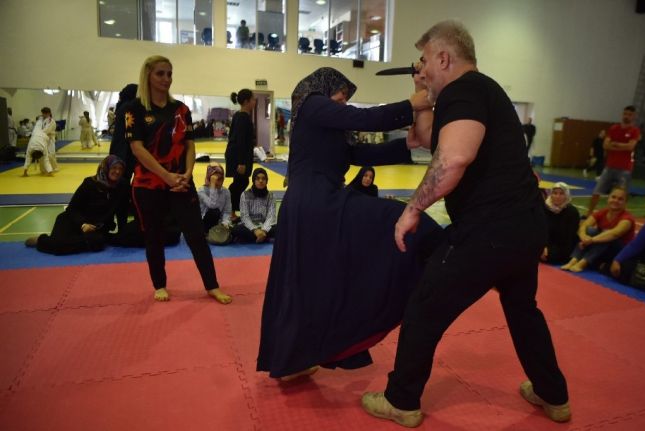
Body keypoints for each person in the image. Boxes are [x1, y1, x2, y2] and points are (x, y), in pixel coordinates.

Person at [361, 21, 570, 427]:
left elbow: (454, 158)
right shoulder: (474, 94)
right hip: (525, 226)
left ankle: (401, 400)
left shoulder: (465, 90)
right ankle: (553, 394)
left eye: (425, 60)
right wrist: (422, 94)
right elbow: (425, 142)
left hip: (489, 230)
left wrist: (413, 208)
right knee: (522, 309)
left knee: (424, 307)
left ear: (444, 58)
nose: (421, 67)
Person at [256, 67, 442, 382]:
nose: (343, 104)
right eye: (341, 97)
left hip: (317, 204)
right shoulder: (311, 104)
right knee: (395, 220)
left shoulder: (329, 130)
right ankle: (447, 255)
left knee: (313, 284)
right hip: (314, 205)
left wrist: (406, 145)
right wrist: (411, 104)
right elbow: (361, 118)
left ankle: (293, 361)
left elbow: (358, 153)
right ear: (325, 88)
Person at [125, 55, 231, 305]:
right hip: (149, 186)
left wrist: (187, 173)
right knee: (154, 237)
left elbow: (190, 145)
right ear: (148, 75)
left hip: (181, 183)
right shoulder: (135, 109)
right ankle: (159, 284)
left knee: (196, 235)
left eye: (169, 73)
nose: (166, 79)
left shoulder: (181, 110)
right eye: (160, 73)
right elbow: (137, 148)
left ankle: (212, 285)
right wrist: (166, 176)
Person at [24, 155, 128, 254]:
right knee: (59, 246)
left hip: (95, 228)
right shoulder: (89, 183)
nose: (117, 171)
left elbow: (122, 212)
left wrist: (122, 233)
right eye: (114, 168)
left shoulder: (122, 186)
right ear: (106, 168)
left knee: (97, 242)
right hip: (73, 221)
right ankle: (41, 240)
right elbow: (72, 209)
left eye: (120, 169)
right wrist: (83, 224)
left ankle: (60, 242)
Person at [561, 186, 634, 273]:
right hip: (601, 249)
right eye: (613, 197)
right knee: (589, 231)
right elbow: (584, 225)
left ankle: (583, 262)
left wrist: (591, 240)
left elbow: (614, 234)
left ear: (625, 202)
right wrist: (584, 237)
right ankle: (574, 260)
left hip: (618, 252)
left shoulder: (627, 219)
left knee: (606, 235)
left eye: (620, 199)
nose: (615, 201)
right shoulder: (603, 212)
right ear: (608, 198)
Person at [586, 106, 640, 215]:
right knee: (597, 191)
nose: (626, 116)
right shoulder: (614, 128)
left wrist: (615, 144)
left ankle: (620, 216)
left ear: (634, 116)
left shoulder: (635, 131)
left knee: (622, 194)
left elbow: (630, 147)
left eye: (629, 114)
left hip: (625, 168)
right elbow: (605, 145)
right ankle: (589, 213)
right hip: (609, 166)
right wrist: (622, 146)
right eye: (625, 114)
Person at [225, 89, 256, 215]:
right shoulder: (243, 118)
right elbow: (240, 141)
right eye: (253, 99)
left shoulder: (239, 115)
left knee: (240, 182)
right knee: (241, 182)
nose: (254, 101)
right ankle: (229, 210)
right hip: (239, 157)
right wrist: (241, 162)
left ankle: (231, 211)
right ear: (246, 101)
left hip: (235, 154)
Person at [232, 167, 276, 243]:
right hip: (250, 227)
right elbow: (245, 216)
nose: (261, 181)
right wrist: (255, 230)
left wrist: (264, 230)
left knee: (281, 228)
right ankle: (265, 238)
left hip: (265, 225)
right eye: (257, 178)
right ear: (253, 180)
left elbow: (271, 216)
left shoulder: (270, 195)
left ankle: (255, 238)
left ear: (266, 181)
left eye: (263, 179)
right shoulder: (245, 194)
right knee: (236, 230)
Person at [541, 182, 580, 264]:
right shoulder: (544, 208)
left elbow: (568, 237)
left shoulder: (572, 212)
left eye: (561, 194)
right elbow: (540, 230)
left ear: (566, 195)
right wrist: (543, 246)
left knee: (549, 256)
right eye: (555, 193)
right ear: (551, 194)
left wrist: (549, 249)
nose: (557, 196)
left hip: (563, 246)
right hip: (545, 244)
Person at [197, 163, 232, 233]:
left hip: (218, 224)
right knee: (214, 212)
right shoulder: (201, 191)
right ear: (209, 178)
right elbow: (213, 205)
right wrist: (213, 186)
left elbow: (227, 212)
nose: (217, 182)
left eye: (220, 179)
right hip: (202, 223)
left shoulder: (226, 192)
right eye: (214, 179)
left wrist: (225, 223)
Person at [40, 107, 59, 172]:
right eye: (42, 113)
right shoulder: (43, 120)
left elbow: (47, 130)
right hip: (43, 138)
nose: (43, 115)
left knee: (51, 153)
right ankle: (44, 168)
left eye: (44, 113)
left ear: (48, 113)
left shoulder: (51, 120)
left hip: (50, 138)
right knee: (43, 153)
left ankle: (54, 167)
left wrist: (40, 133)